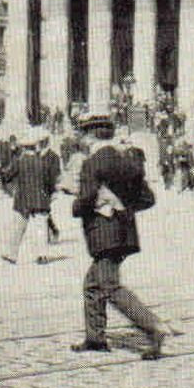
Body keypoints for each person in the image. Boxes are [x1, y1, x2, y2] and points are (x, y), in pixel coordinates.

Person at [70, 111, 169, 359]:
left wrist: (77, 207)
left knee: (109, 286)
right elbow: (148, 198)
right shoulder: (127, 160)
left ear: (90, 136)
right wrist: (123, 208)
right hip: (124, 232)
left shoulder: (93, 162)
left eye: (83, 134)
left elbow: (87, 198)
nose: (81, 139)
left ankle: (153, 327)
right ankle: (95, 339)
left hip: (104, 233)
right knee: (93, 284)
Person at [2, 129, 60, 265]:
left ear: (24, 148)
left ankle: (12, 254)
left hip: (23, 199)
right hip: (40, 198)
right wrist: (50, 194)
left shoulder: (19, 161)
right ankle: (42, 255)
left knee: (19, 227)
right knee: (41, 227)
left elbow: (7, 176)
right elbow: (50, 181)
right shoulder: (43, 162)